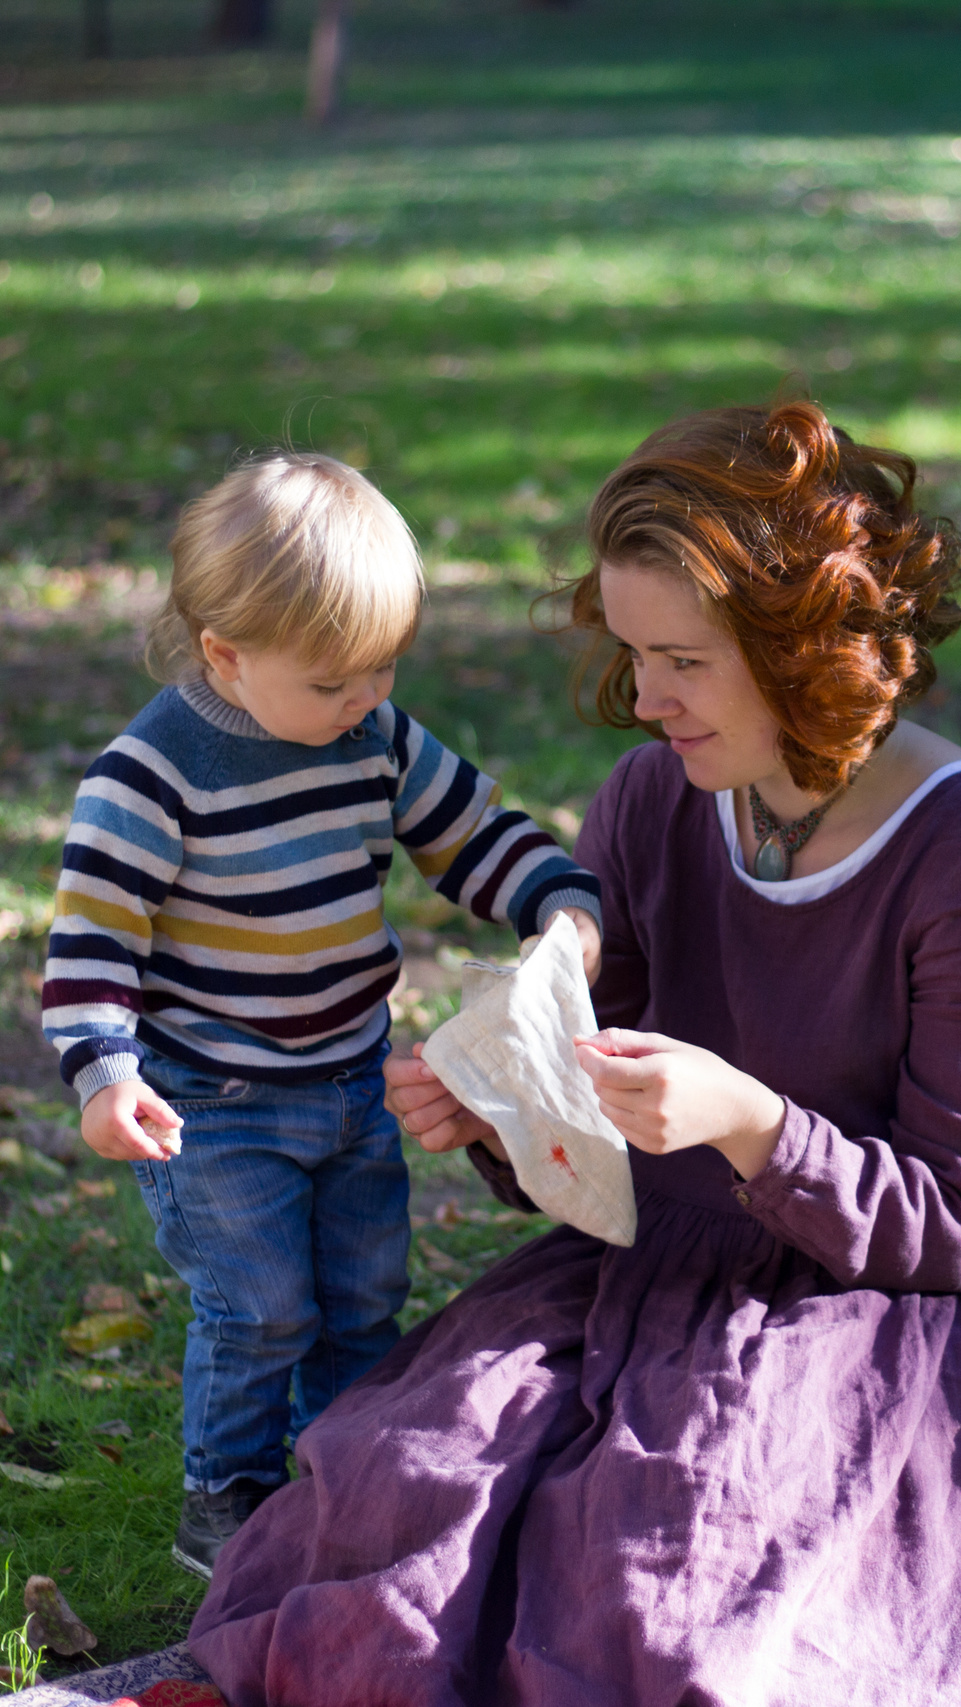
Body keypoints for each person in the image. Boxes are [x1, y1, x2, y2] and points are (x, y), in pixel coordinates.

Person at [185, 404, 961, 1705]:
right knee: (404, 1480)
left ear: (804, 649)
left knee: (695, 1551)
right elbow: (601, 1131)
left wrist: (750, 1122)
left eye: (682, 660)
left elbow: (957, 1218)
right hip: (666, 1260)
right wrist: (507, 1106)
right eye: (632, 653)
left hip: (904, 1308)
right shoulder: (655, 798)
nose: (646, 699)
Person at [40, 451, 605, 1579]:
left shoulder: (371, 736)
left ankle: (349, 1470)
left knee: (361, 1296)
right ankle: (227, 1493)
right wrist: (106, 1072)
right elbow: (95, 941)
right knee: (260, 1309)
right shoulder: (152, 775)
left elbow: (470, 830)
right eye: (335, 681)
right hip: (213, 1104)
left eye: (383, 669)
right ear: (225, 655)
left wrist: (555, 898)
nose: (366, 699)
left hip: (350, 1084)